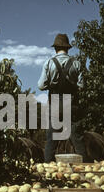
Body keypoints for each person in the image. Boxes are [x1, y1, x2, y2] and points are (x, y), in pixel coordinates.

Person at [37, 33, 87, 162]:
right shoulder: (76, 63)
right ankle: (86, 168)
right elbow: (81, 85)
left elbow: (41, 86)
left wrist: (52, 83)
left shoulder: (49, 63)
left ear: (55, 48)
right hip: (72, 104)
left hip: (55, 103)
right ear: (68, 48)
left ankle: (48, 168)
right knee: (77, 138)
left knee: (51, 139)